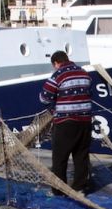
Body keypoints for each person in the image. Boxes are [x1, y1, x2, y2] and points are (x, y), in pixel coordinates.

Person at [39, 51, 93, 194]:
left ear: (56, 63)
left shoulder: (59, 74)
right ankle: (80, 188)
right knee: (81, 156)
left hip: (66, 122)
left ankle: (58, 190)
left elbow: (44, 98)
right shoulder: (84, 73)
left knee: (60, 158)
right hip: (86, 121)